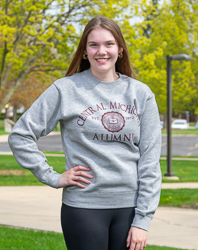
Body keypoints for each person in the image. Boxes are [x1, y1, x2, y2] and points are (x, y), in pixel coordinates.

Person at [8, 16, 162, 250]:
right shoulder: (66, 89)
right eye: (94, 45)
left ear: (120, 49)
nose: (102, 51)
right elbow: (20, 135)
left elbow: (150, 160)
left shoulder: (140, 94)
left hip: (130, 209)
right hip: (83, 208)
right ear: (84, 51)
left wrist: (143, 220)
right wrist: (52, 176)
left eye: (109, 44)